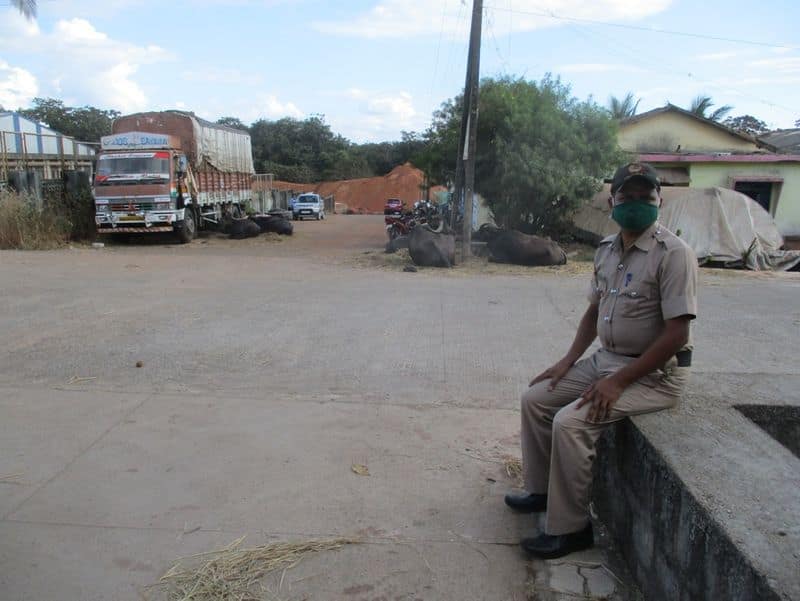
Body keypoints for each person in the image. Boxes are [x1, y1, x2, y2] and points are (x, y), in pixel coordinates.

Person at [505, 162, 698, 559]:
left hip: (654, 375)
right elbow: (594, 313)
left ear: (659, 201)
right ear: (613, 201)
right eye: (628, 196)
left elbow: (677, 333)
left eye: (646, 197)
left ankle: (571, 529)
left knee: (571, 422)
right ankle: (542, 493)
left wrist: (619, 381)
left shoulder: (674, 254)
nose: (636, 203)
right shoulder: (607, 250)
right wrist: (567, 361)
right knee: (536, 398)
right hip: (605, 359)